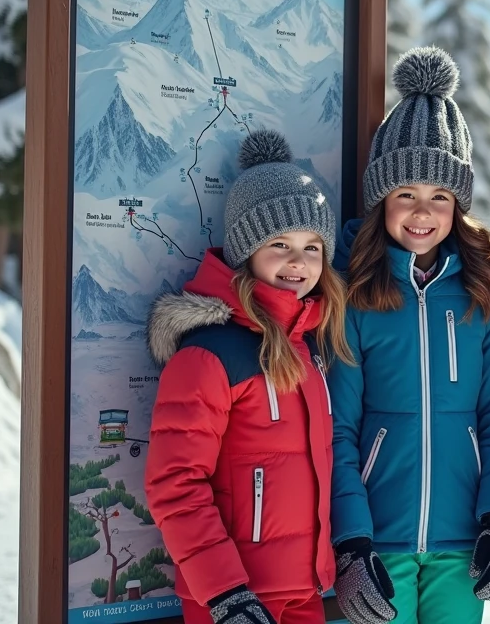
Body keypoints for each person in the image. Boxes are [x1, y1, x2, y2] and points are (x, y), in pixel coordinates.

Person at [327, 48, 490, 624]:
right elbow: (338, 428)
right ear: (381, 200)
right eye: (406, 194)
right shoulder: (354, 294)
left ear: (458, 206)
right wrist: (352, 542)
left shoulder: (481, 291)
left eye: (440, 196)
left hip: (462, 544)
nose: (422, 212)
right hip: (379, 544)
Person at [144, 131, 352, 624]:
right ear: (246, 251)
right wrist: (225, 594)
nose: (298, 261)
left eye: (312, 247)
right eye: (279, 244)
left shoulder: (310, 347)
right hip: (234, 600)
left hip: (305, 591)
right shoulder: (210, 354)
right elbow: (175, 481)